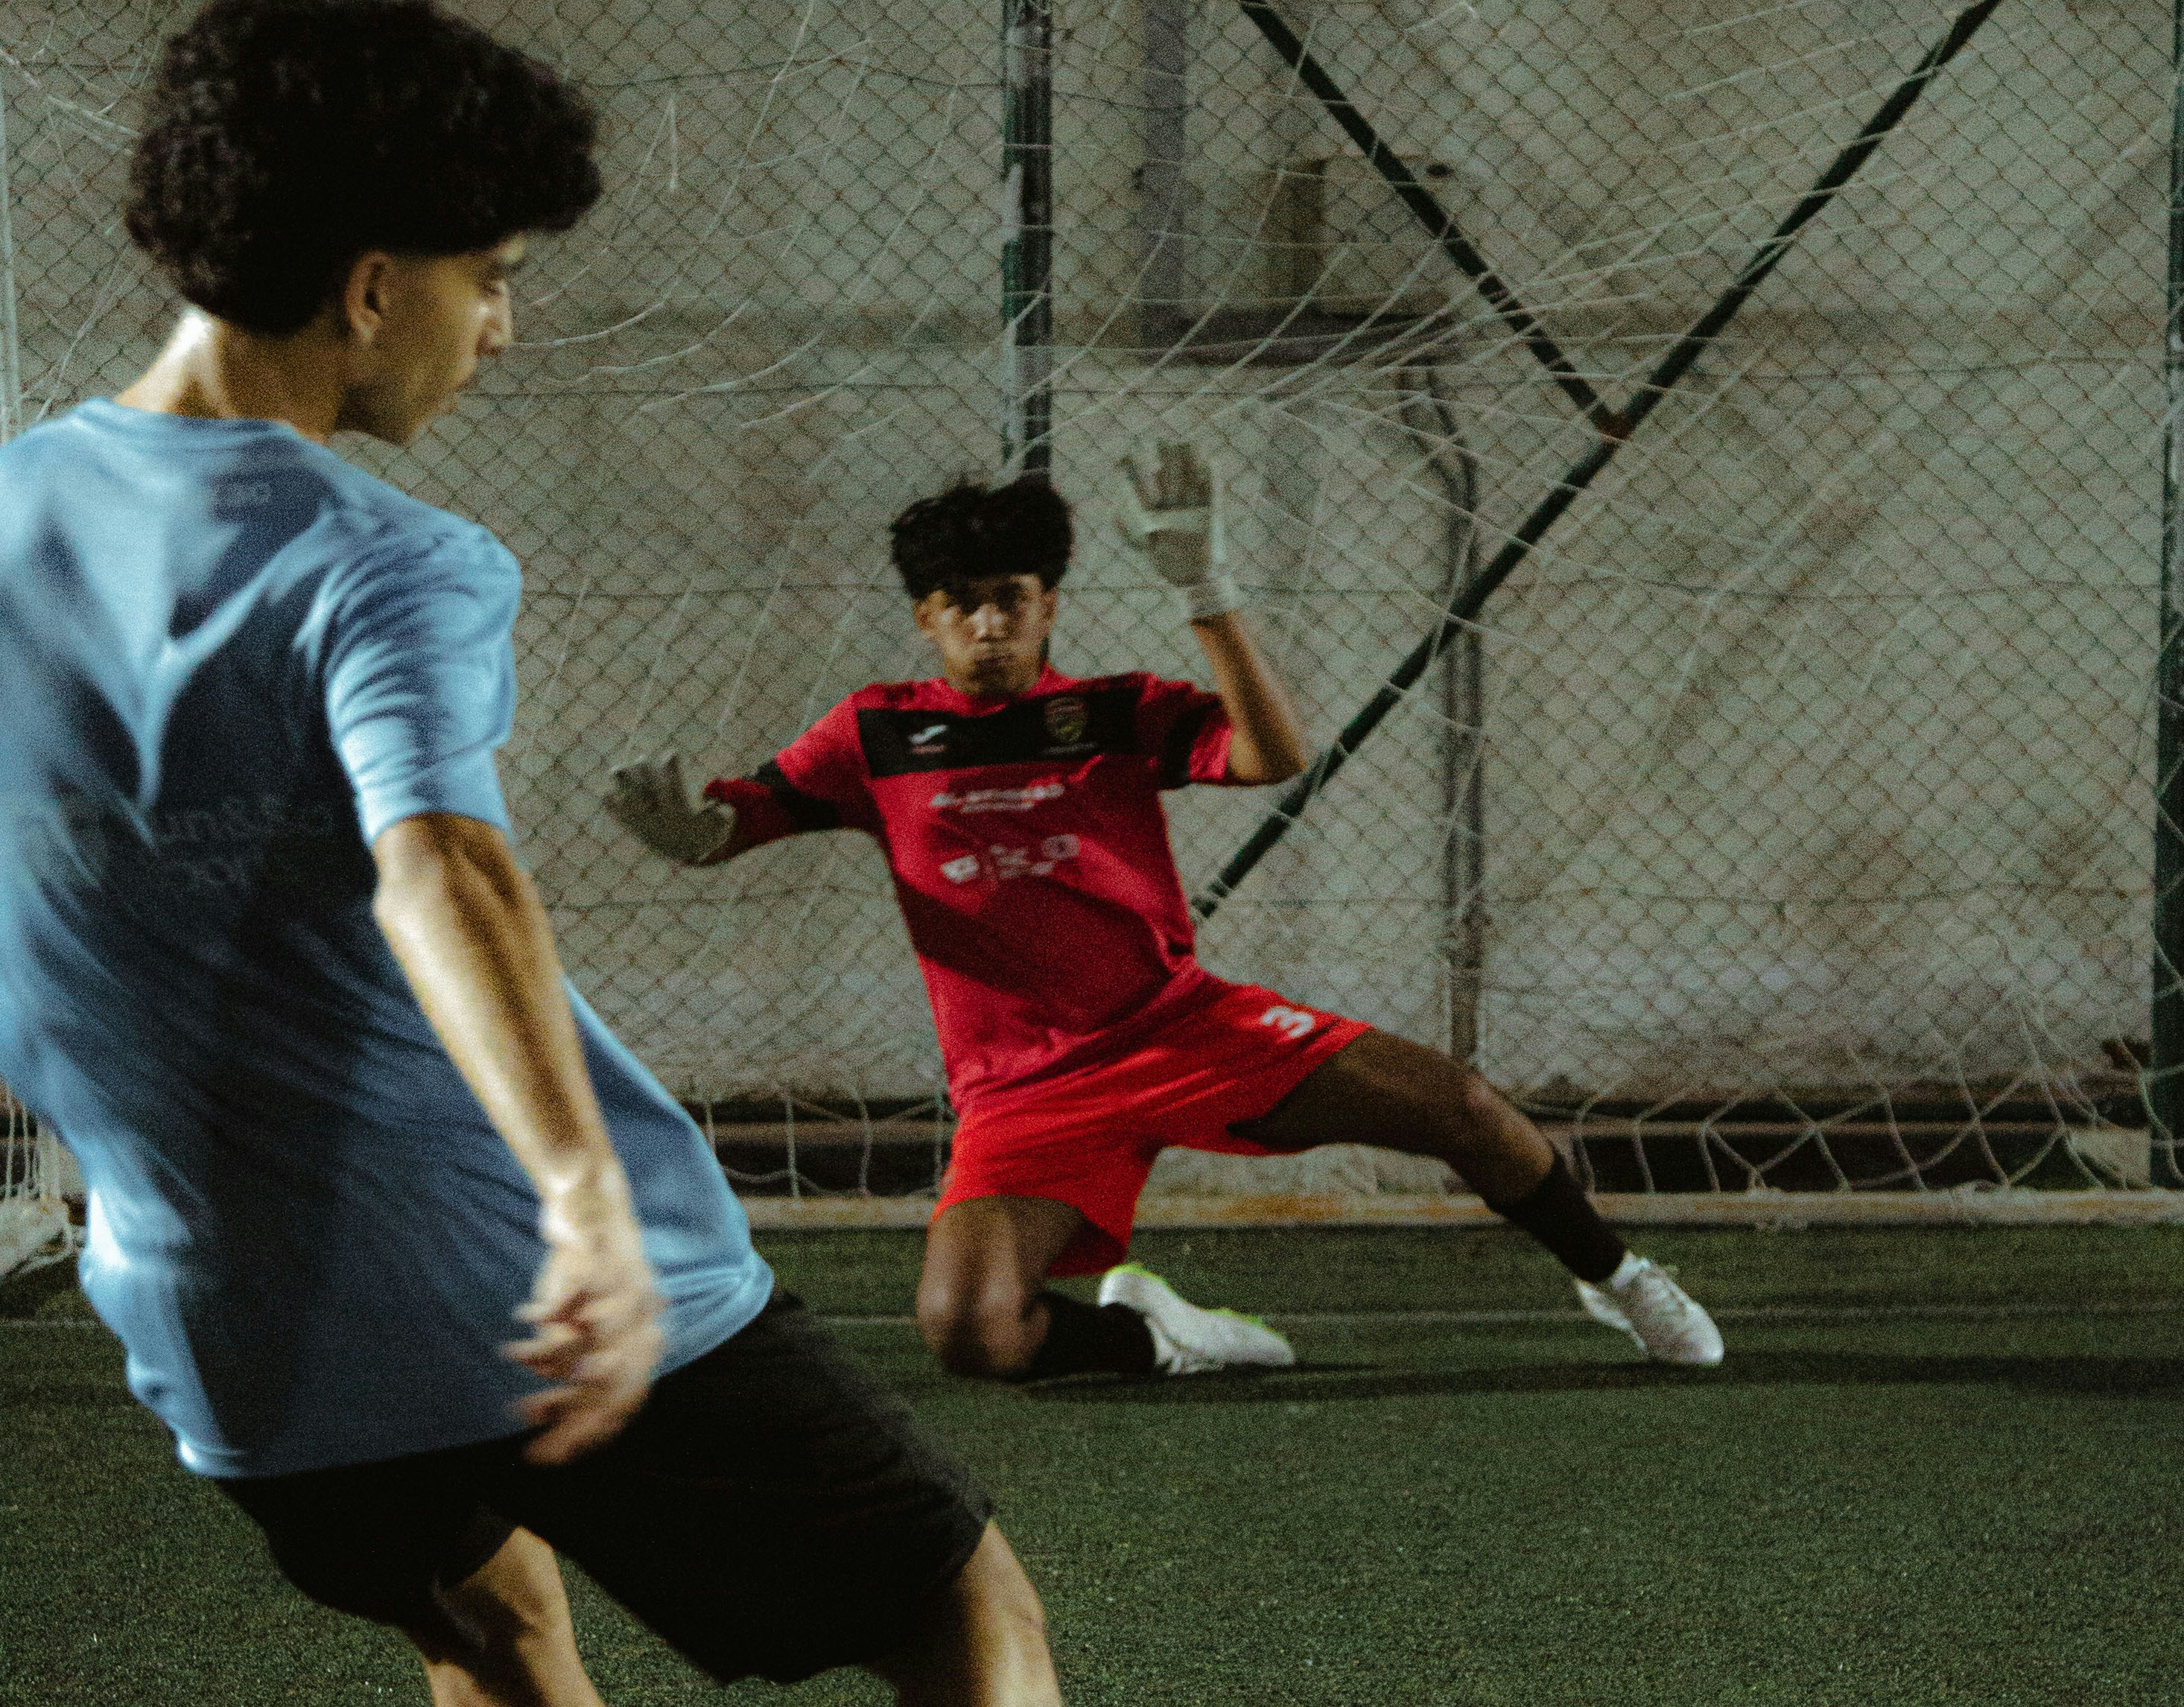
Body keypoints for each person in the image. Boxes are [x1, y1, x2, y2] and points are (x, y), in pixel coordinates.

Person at [0, 0, 1347, 1707]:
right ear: (369, 286)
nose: (501, 329)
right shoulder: (382, 558)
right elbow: (441, 865)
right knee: (955, 1597)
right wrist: (576, 1201)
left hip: (230, 1324)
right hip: (517, 1257)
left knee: (484, 1633)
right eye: (492, 277)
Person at [606, 458, 1725, 1385]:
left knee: (1462, 1107)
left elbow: (1271, 755)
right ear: (926, 618)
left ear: (1048, 605)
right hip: (1024, 1091)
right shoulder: (875, 734)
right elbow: (740, 820)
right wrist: (698, 835)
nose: (989, 623)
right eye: (962, 604)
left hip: (1180, 1030)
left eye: (1011, 598)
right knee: (968, 1332)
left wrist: (1208, 591)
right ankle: (1164, 1336)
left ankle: (1619, 1280)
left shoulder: (1116, 711)